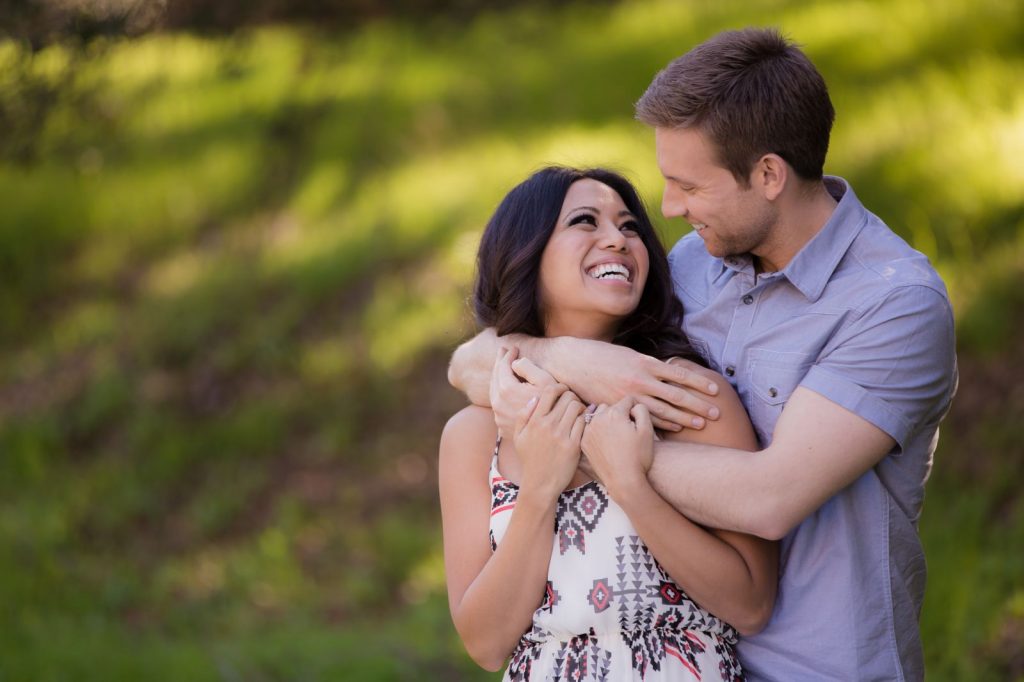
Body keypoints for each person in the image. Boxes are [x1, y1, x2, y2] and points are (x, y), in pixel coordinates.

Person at [448, 28, 957, 681]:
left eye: (689, 186)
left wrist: (576, 449)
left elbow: (770, 497)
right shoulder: (695, 267)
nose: (669, 208)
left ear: (769, 174)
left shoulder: (894, 304)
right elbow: (467, 362)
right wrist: (566, 359)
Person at [439, 166, 778, 681]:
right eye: (584, 221)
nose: (616, 240)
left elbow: (751, 604)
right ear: (524, 252)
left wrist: (630, 486)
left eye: (630, 227)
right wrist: (540, 489)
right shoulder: (473, 435)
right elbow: (486, 645)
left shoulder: (683, 398)